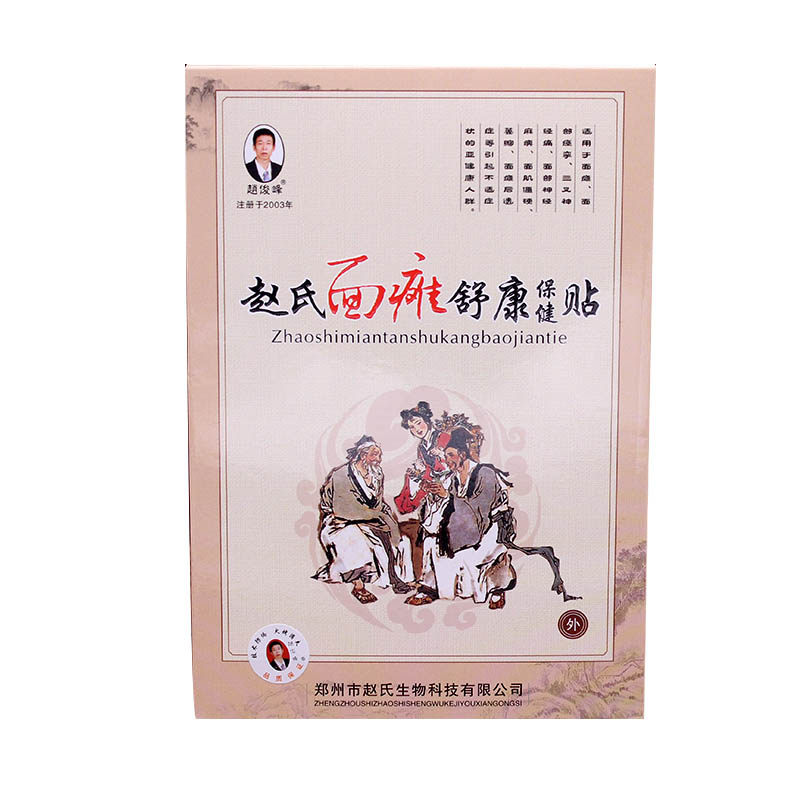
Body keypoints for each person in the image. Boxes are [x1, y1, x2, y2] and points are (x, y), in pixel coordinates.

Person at [405, 427, 580, 608]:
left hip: (489, 528)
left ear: (462, 454)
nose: (447, 460)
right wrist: (436, 495)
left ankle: (496, 589)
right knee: (433, 543)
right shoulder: (452, 478)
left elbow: (479, 509)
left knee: (475, 556)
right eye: (446, 456)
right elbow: (449, 506)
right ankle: (429, 589)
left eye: (451, 455)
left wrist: (447, 497)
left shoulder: (485, 473)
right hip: (463, 527)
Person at [312, 435, 414, 603]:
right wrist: (375, 516)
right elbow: (343, 508)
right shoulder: (341, 475)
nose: (378, 460)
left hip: (370, 518)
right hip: (340, 521)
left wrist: (386, 518)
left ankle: (398, 579)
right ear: (362, 455)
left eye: (379, 455)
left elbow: (378, 503)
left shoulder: (377, 474)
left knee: (401, 541)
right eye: (374, 455)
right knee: (354, 538)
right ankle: (358, 585)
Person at [394, 401, 450, 514]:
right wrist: (419, 471)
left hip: (449, 477)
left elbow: (453, 461)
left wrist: (440, 454)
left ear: (427, 420)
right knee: (410, 477)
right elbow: (427, 468)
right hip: (433, 477)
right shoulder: (421, 447)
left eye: (419, 423)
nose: (417, 429)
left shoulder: (443, 436)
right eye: (412, 427)